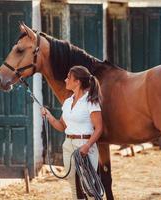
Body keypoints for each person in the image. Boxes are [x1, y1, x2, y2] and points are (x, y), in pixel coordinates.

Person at [41, 65, 103, 200]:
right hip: (68, 144)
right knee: (73, 186)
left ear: (77, 82)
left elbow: (99, 128)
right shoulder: (68, 102)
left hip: (85, 144)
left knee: (89, 186)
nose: (65, 80)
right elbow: (61, 126)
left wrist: (87, 146)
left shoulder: (90, 101)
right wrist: (49, 116)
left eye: (68, 77)